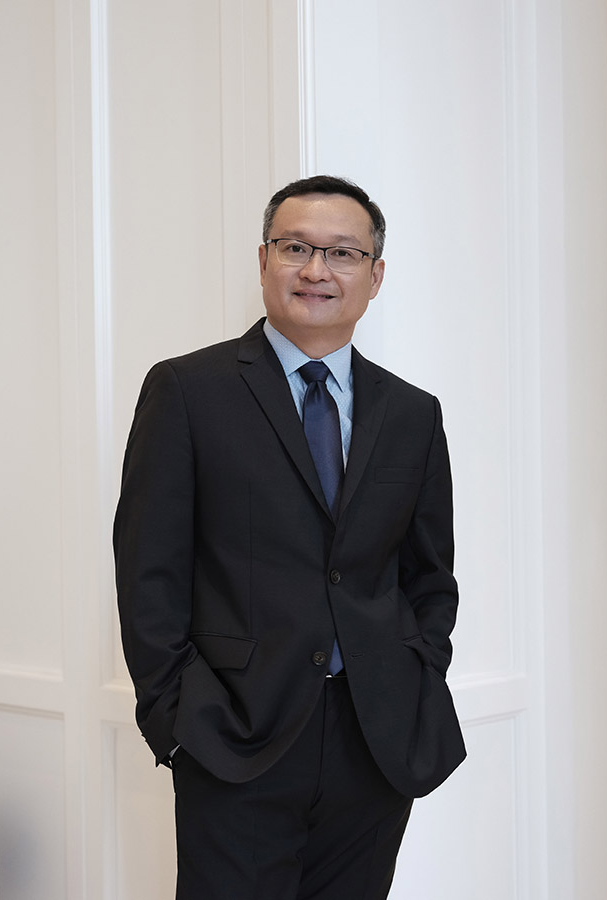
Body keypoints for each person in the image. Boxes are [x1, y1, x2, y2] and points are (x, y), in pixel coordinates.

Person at [114, 175, 465, 899]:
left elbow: (430, 575)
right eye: (295, 247)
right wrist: (177, 720)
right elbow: (149, 571)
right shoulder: (187, 390)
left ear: (375, 276)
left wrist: (416, 671)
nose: (315, 270)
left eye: (342, 253)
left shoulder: (412, 413)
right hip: (234, 737)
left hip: (375, 736)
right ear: (263, 260)